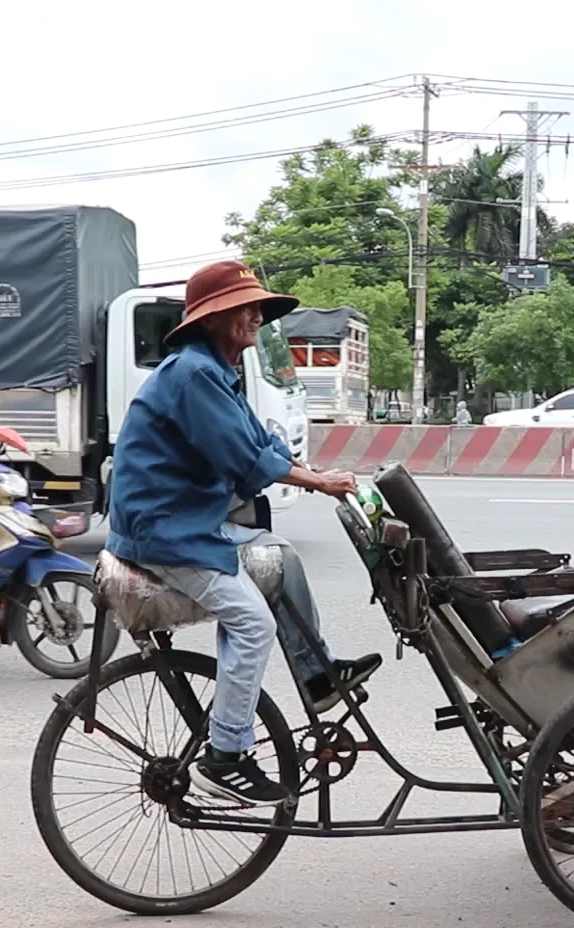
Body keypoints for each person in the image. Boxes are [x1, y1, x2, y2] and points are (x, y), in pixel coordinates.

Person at [108, 261, 379, 807]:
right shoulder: (193, 374)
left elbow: (264, 444)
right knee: (252, 622)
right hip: (165, 532)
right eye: (244, 309)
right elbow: (243, 457)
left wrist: (315, 471)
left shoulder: (218, 373)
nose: (256, 316)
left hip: (192, 523)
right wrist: (320, 483)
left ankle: (318, 675)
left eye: (257, 307)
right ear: (213, 319)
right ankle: (225, 756)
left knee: (281, 555)